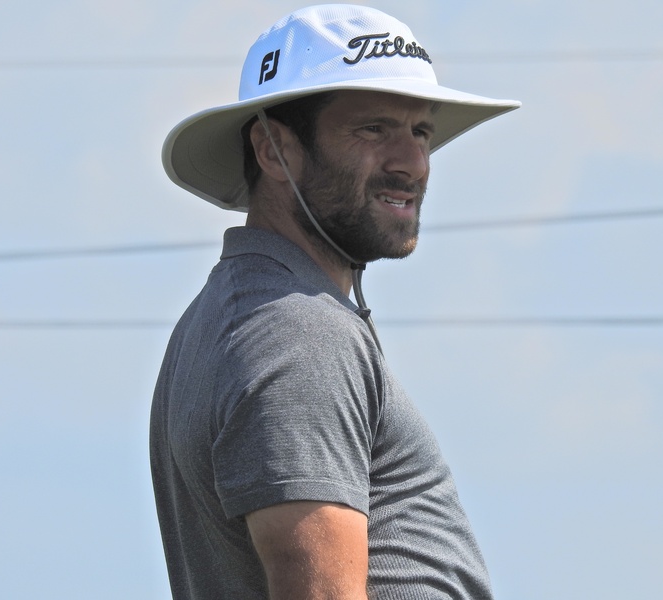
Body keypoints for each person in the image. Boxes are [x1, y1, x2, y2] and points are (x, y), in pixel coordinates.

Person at [150, 5, 520, 599]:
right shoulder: (295, 331)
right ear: (273, 150)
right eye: (373, 129)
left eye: (420, 132)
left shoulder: (241, 315)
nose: (412, 162)